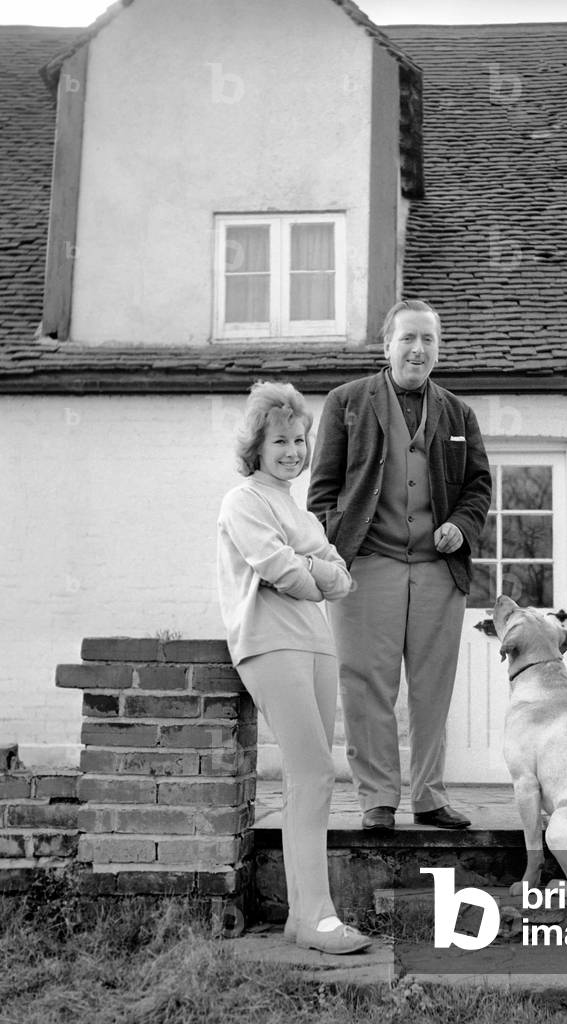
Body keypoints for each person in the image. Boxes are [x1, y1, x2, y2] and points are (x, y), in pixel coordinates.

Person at [308, 299, 492, 831]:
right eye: (407, 338)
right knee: (365, 685)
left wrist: (462, 522)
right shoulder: (346, 403)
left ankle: (430, 796)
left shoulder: (459, 414)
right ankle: (377, 800)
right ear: (386, 345)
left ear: (438, 348)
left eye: (428, 340)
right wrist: (336, 549)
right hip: (367, 566)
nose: (418, 349)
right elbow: (321, 493)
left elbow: (479, 485)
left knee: (434, 686)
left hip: (439, 570)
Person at [217, 381, 370, 955]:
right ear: (256, 446)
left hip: (315, 642)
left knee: (311, 778)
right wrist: (314, 568)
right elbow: (284, 569)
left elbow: (341, 577)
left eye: (300, 440)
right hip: (268, 641)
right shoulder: (243, 501)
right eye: (280, 440)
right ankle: (317, 918)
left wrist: (315, 568)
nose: (292, 450)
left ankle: (302, 916)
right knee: (312, 773)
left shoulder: (296, 507)